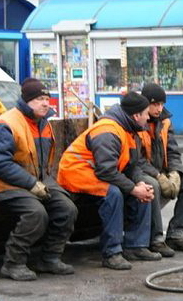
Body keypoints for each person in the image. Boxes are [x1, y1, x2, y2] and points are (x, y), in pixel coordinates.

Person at [0, 78, 77, 281]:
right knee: (36, 213)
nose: (45, 103)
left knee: (67, 209)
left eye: (47, 98)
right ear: (26, 101)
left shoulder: (43, 124)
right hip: (6, 184)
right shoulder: (6, 124)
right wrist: (31, 183)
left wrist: (40, 183)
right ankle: (13, 263)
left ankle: (49, 258)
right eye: (39, 99)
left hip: (37, 181)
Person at [57, 91, 160, 270]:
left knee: (144, 189)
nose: (148, 117)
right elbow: (106, 171)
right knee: (113, 193)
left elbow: (131, 165)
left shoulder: (130, 130)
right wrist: (133, 189)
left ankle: (136, 246)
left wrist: (139, 183)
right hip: (76, 172)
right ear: (136, 115)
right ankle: (111, 253)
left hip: (96, 172)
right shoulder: (108, 131)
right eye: (145, 113)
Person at [138, 83, 183, 255]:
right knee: (154, 186)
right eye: (155, 104)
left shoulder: (165, 122)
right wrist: (157, 176)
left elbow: (173, 151)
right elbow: (136, 160)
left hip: (161, 171)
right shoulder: (137, 121)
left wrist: (175, 172)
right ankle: (156, 239)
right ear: (145, 104)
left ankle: (176, 234)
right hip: (142, 173)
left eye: (162, 104)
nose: (159, 108)